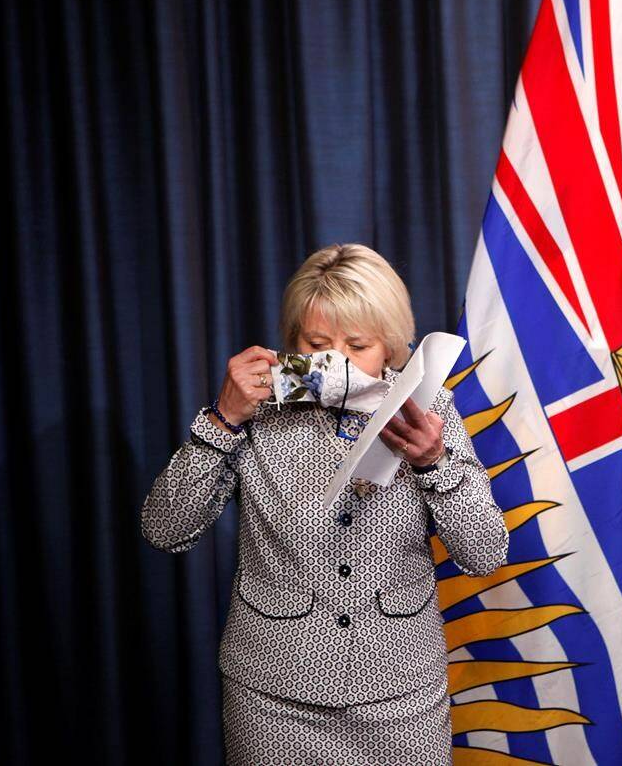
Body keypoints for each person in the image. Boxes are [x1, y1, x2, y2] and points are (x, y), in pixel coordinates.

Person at [141, 243, 509, 765]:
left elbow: (486, 553)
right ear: (292, 344)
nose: (335, 363)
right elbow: (165, 528)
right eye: (317, 344)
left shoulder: (430, 410)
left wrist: (435, 462)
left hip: (401, 697)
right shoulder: (256, 407)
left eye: (356, 346)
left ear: (390, 347)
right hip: (271, 695)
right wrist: (222, 420)